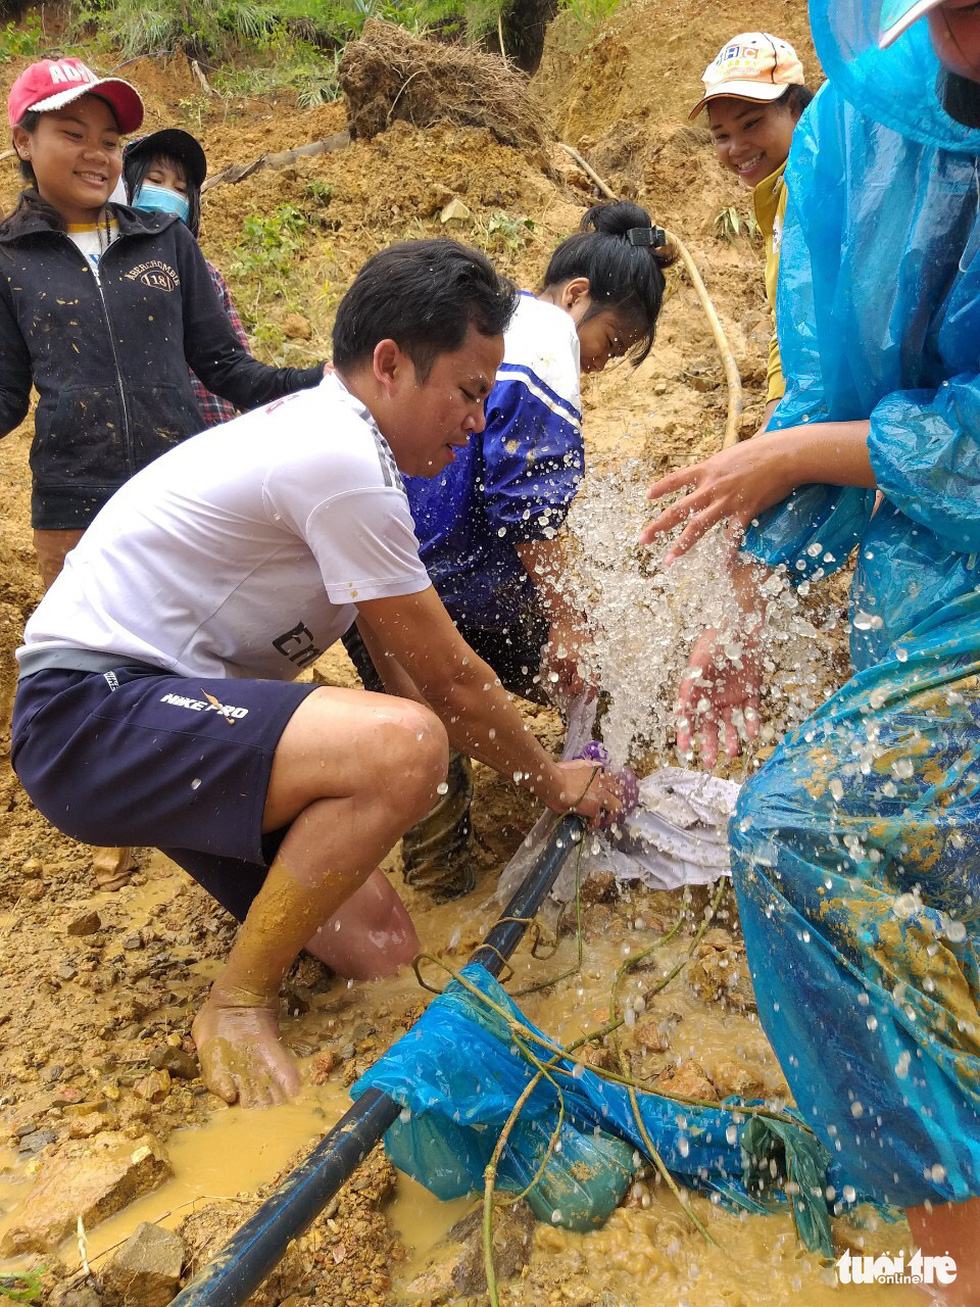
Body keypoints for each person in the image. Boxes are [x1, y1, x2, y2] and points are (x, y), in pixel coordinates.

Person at [11, 238, 619, 1110]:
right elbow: (448, 688)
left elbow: (406, 661)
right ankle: (236, 999)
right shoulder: (339, 457)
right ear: (388, 364)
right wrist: (550, 779)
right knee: (406, 746)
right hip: (88, 715)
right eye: (470, 391)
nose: (478, 420)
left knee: (381, 943)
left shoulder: (348, 448)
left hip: (163, 714)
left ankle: (261, 944)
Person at [641, 0, 980, 1297]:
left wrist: (792, 457)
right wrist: (743, 589)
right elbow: (832, 381)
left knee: (805, 832)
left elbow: (842, 436)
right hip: (920, 582)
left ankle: (949, 1256)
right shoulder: (860, 132)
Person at [1, 59, 324, 889]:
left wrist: (328, 382)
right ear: (24, 140)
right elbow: (5, 396)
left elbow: (226, 367)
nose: (99, 153)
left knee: (193, 660)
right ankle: (123, 812)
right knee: (98, 675)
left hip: (182, 489)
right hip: (74, 496)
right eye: (72, 133)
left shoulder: (164, 241)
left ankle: (227, 803)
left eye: (111, 139)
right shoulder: (9, 262)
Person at [344, 202, 671, 900]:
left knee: (423, 752)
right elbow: (528, 501)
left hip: (384, 581)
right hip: (461, 589)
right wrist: (572, 618)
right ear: (577, 295)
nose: (604, 363)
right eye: (612, 342)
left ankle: (440, 899)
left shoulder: (490, 332)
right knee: (592, 675)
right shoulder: (547, 338)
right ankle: (592, 816)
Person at [691, 33, 812, 431]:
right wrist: (773, 419)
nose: (736, 147)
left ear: (794, 108)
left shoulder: (814, 185)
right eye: (721, 135)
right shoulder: (777, 193)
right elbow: (788, 320)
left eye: (751, 123)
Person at [123, 127, 252, 427]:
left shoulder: (208, 276)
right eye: (155, 181)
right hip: (147, 440)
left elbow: (238, 367)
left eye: (180, 189)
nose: (168, 194)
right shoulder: (104, 271)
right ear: (125, 188)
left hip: (211, 436)